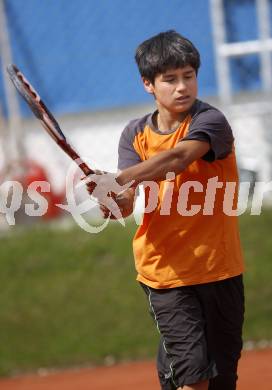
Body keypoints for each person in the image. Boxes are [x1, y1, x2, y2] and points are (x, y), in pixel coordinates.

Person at [87, 30, 245, 390]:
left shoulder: (210, 122)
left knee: (222, 382)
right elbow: (125, 205)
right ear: (148, 84)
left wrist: (118, 178)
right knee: (194, 378)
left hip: (221, 270)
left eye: (188, 76)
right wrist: (110, 198)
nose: (182, 87)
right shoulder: (134, 134)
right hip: (165, 276)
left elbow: (176, 158)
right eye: (169, 79)